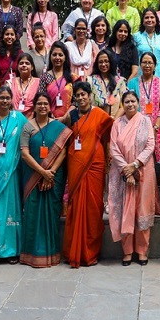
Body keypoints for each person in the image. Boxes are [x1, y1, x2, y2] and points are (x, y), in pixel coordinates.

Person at [61, 82, 113, 268]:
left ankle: (90, 252)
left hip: (95, 165)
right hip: (75, 164)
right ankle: (73, 251)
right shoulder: (72, 115)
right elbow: (60, 130)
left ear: (90, 96)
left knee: (92, 208)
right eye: (78, 95)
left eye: (84, 94)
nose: (81, 98)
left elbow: (110, 134)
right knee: (75, 207)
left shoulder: (100, 114)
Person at [101, 90, 154, 265]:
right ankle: (127, 252)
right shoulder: (117, 124)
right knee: (125, 211)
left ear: (138, 102)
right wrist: (126, 169)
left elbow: (150, 145)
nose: (130, 104)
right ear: (122, 105)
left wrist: (135, 165)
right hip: (122, 173)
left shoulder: (146, 121)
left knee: (142, 211)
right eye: (127, 102)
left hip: (143, 171)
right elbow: (114, 147)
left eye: (133, 101)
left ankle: (142, 251)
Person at [18, 92, 70, 268]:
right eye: (39, 104)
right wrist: (42, 172)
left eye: (45, 104)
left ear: (50, 107)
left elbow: (63, 150)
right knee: (32, 214)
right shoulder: (27, 127)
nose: (42, 107)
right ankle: (30, 255)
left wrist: (51, 172)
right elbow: (24, 154)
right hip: (32, 176)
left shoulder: (57, 127)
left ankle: (51, 255)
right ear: (34, 106)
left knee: (51, 216)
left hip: (53, 178)